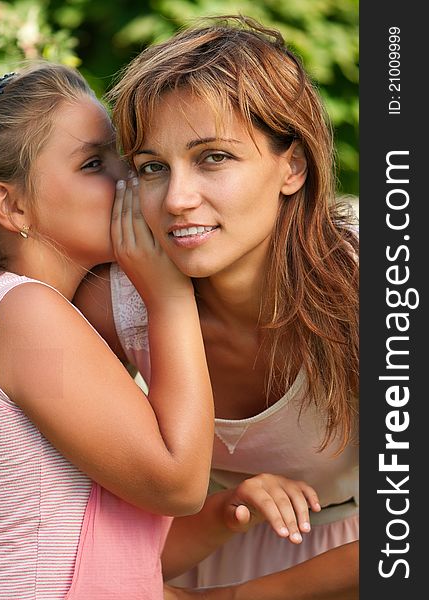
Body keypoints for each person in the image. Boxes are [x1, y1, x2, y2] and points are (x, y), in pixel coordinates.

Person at [0, 61, 320, 599]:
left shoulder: (37, 313)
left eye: (125, 158)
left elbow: (110, 546)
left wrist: (227, 513)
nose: (128, 179)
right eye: (92, 163)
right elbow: (177, 482)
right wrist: (170, 300)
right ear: (10, 206)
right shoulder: (22, 313)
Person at [73, 14, 359, 599]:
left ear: (292, 167)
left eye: (213, 158)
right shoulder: (118, 304)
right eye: (153, 167)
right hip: (193, 555)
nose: (177, 199)